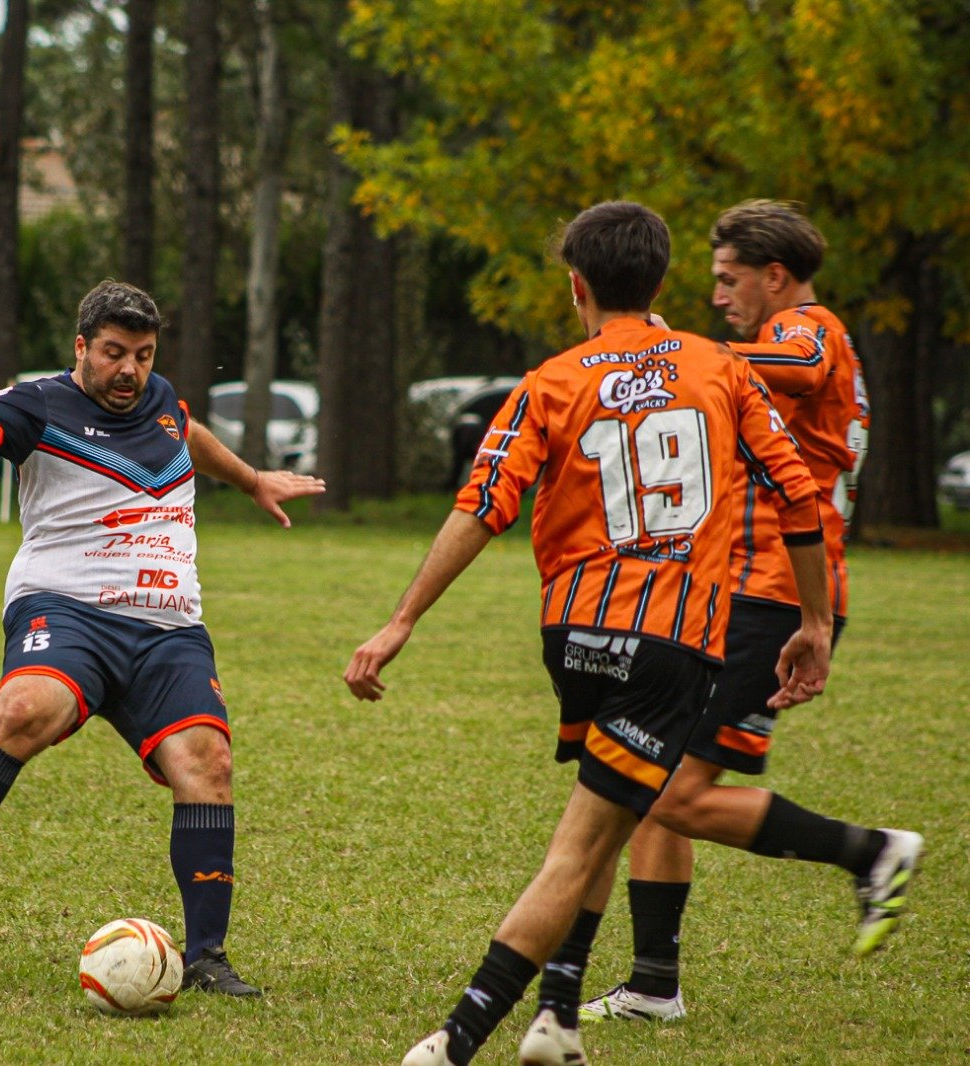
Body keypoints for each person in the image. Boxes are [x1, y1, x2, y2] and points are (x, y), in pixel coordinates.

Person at [345, 201, 841, 1066]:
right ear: (659, 281)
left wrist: (401, 620)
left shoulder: (551, 380)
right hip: (671, 642)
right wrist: (814, 621)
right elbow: (798, 494)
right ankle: (455, 1043)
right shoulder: (719, 368)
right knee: (579, 846)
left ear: (577, 286)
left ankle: (559, 1020)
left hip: (573, 635)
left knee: (608, 821)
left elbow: (481, 507)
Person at [0, 281, 325, 995]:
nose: (129, 370)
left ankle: (207, 958)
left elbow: (186, 430)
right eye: (113, 353)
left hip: (168, 629)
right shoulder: (37, 403)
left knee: (208, 763)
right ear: (81, 348)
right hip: (66, 608)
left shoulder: (159, 398)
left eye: (142, 355)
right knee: (27, 707)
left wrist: (251, 480)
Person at [577, 200, 919, 1026]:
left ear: (775, 277)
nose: (720, 296)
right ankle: (655, 982)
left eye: (730, 281)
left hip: (772, 595)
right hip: (744, 589)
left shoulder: (812, 327)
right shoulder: (775, 346)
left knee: (669, 793)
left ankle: (871, 853)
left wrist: (685, 351)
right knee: (659, 777)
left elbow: (795, 371)